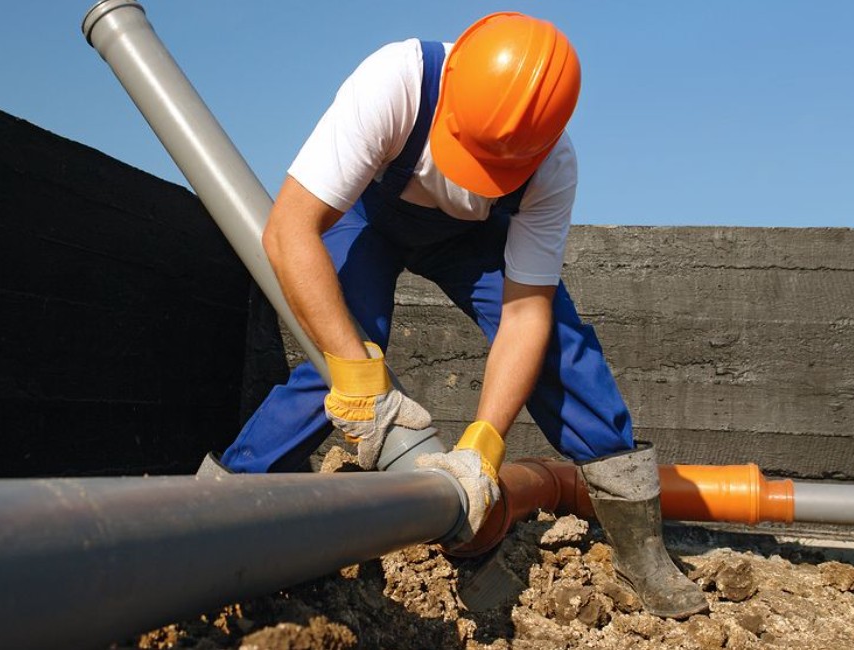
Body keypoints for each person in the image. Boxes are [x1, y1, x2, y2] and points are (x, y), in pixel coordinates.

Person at [210, 12, 707, 618]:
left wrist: (483, 447)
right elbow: (290, 230)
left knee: (561, 348)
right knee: (337, 353)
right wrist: (359, 378)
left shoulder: (552, 166)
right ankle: (219, 506)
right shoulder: (395, 82)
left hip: (476, 239)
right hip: (371, 214)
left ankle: (641, 548)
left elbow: (526, 316)